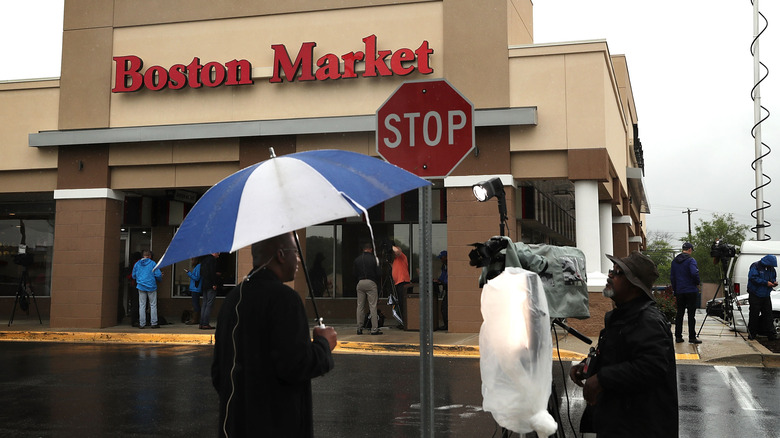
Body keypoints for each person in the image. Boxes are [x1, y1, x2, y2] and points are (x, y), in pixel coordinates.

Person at [211, 232, 337, 438]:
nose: (298, 259)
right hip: (278, 426)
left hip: (235, 426)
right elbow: (296, 365)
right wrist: (323, 344)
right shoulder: (285, 299)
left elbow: (219, 373)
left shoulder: (232, 300)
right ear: (280, 254)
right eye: (295, 252)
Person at [569, 252, 678, 437]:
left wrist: (602, 379)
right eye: (612, 270)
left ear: (634, 285)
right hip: (618, 422)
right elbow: (616, 356)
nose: (610, 275)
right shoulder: (621, 316)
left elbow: (651, 366)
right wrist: (587, 367)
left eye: (618, 273)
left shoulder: (647, 320)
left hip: (640, 427)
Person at [670, 242, 702, 343]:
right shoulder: (691, 260)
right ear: (689, 250)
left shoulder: (674, 262)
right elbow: (694, 272)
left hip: (679, 290)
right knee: (691, 314)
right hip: (691, 290)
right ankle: (692, 337)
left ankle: (678, 336)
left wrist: (675, 289)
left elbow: (672, 277)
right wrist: (697, 283)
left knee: (680, 313)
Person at [746, 254, 779, 341]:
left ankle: (771, 335)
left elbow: (772, 278)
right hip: (755, 295)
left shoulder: (771, 269)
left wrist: (773, 283)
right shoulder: (755, 266)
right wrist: (765, 283)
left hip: (766, 295)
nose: (771, 266)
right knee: (754, 315)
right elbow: (753, 278)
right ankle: (752, 334)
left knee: (768, 315)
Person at [353, 241, 382, 335]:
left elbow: (354, 273)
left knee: (360, 306)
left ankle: (359, 328)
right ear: (371, 249)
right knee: (372, 306)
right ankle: (374, 329)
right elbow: (379, 273)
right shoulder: (374, 259)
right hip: (371, 282)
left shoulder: (357, 259)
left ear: (363, 250)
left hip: (360, 282)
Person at [131, 250, 162, 329]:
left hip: (141, 286)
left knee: (142, 305)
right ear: (150, 256)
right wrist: (160, 278)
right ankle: (154, 323)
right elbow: (158, 274)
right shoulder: (153, 263)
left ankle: (142, 324)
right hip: (151, 286)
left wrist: (139, 279)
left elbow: (133, 275)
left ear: (142, 256)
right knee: (153, 305)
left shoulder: (137, 264)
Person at [199, 252, 220, 330]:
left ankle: (201, 323)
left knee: (204, 303)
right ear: (214, 253)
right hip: (211, 284)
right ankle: (205, 323)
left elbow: (202, 272)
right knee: (209, 304)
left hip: (204, 284)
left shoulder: (204, 260)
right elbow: (212, 272)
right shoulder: (212, 260)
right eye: (218, 253)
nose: (219, 254)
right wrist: (214, 283)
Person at [392, 244, 411, 325]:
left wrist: (389, 245)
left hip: (403, 282)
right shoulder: (396, 260)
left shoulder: (402, 257)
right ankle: (403, 321)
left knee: (403, 303)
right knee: (400, 302)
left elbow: (397, 251)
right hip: (398, 283)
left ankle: (406, 322)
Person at [185, 258, 202, 325]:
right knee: (195, 304)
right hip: (195, 288)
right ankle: (196, 318)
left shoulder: (198, 267)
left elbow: (196, 278)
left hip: (196, 288)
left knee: (195, 304)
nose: (191, 262)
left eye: (193, 260)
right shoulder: (198, 267)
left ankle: (195, 319)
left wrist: (188, 273)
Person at [434, 250, 448, 330]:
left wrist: (442, 281)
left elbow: (447, 278)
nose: (441, 260)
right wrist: (438, 280)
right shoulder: (444, 266)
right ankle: (446, 324)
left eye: (442, 258)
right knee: (443, 307)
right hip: (445, 287)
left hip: (449, 288)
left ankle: (447, 325)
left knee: (444, 307)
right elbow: (443, 276)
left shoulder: (450, 264)